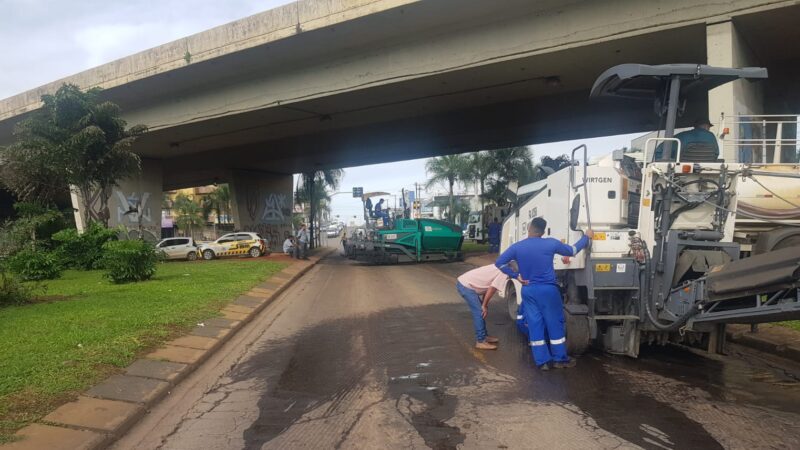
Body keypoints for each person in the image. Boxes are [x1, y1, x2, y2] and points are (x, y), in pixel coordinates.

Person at [495, 217, 593, 371]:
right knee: (554, 323)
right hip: (548, 290)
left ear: (529, 228)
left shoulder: (517, 247)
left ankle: (542, 362)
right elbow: (572, 251)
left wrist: (516, 276)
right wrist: (586, 237)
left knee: (535, 324)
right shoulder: (550, 243)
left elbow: (499, 262)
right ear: (542, 231)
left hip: (528, 289)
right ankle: (560, 359)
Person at [456, 264, 510, 350]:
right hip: (466, 286)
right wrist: (484, 306)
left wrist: (485, 305)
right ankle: (480, 341)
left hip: (465, 282)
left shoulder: (502, 265)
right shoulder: (504, 272)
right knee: (479, 312)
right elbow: (492, 289)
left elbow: (487, 287)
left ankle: (484, 336)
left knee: (481, 310)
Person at [654, 117, 719, 161]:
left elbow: (659, 151)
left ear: (695, 126)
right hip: (706, 170)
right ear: (706, 126)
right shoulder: (711, 136)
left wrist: (671, 160)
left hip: (682, 173)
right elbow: (716, 154)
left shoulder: (682, 136)